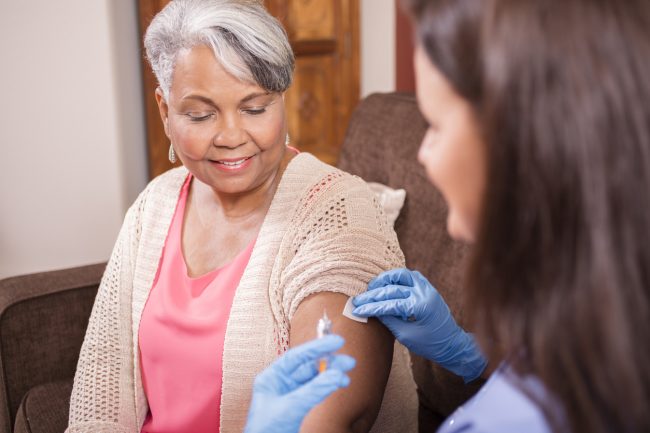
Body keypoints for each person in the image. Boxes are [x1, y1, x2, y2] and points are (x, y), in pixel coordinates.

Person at [244, 0, 650, 432]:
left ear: (522, 143)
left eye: (434, 125)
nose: (422, 153)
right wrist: (469, 353)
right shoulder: (603, 313)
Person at [65, 1, 418, 432]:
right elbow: (99, 396)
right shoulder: (153, 206)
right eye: (200, 114)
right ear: (165, 112)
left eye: (254, 108)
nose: (231, 136)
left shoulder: (338, 214)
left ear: (282, 101)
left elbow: (328, 415)